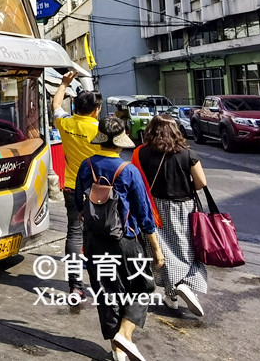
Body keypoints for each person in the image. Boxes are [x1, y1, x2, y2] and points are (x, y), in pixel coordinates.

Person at [75, 117, 164, 361]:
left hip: (94, 240)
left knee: (107, 293)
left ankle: (117, 350)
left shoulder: (86, 166)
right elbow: (144, 214)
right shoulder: (128, 171)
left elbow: (78, 204)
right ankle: (124, 336)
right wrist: (156, 249)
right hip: (125, 241)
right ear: (120, 141)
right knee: (143, 286)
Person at [135, 114, 208, 317]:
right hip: (184, 206)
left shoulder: (142, 153)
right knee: (188, 247)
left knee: (162, 251)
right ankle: (183, 284)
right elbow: (201, 182)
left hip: (155, 207)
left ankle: (172, 293)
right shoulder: (187, 153)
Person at [51, 70, 104, 302]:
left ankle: (75, 286)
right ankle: (102, 282)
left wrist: (64, 84)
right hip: (98, 192)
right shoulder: (100, 131)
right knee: (100, 236)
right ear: (95, 110)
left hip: (72, 187)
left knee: (73, 234)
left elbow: (55, 105)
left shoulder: (66, 123)